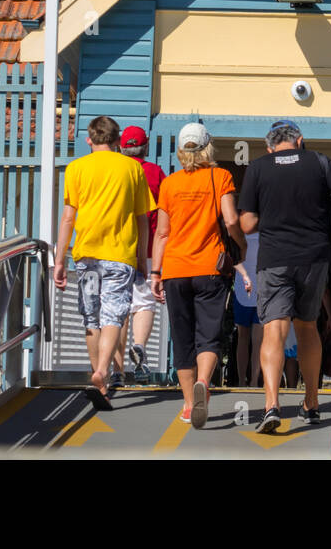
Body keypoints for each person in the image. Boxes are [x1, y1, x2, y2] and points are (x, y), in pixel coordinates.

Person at [238, 119, 331, 433]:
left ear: (269, 146)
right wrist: (328, 201)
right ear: (300, 140)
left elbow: (247, 224)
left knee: (274, 330)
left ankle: (271, 405)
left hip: (275, 259)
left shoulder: (257, 167)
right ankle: (311, 402)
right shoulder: (318, 161)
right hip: (314, 258)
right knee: (307, 328)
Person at [53, 115, 156, 409]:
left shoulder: (76, 168)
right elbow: (142, 220)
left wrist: (60, 260)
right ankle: (103, 373)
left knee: (91, 317)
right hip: (120, 254)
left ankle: (97, 375)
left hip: (86, 255)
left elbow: (68, 217)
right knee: (114, 315)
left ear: (89, 139)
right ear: (117, 141)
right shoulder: (131, 168)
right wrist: (142, 259)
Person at [150, 122, 246, 428]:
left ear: (181, 151)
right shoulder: (221, 177)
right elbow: (230, 220)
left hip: (175, 270)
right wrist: (241, 246)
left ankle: (190, 405)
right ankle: (204, 380)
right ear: (208, 148)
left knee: (182, 338)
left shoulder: (169, 184)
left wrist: (155, 272)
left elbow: (162, 234)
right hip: (210, 269)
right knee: (209, 333)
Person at [116, 125, 165, 382]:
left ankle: (116, 369)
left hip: (116, 249)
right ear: (145, 147)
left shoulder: (116, 171)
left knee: (118, 309)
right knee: (144, 304)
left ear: (121, 147)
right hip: (148, 250)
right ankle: (140, 348)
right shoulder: (156, 173)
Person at [233, 230, 263, 387]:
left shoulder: (263, 229)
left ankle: (253, 381)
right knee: (243, 337)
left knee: (255, 340)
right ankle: (242, 380)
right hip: (242, 289)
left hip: (260, 290)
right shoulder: (239, 230)